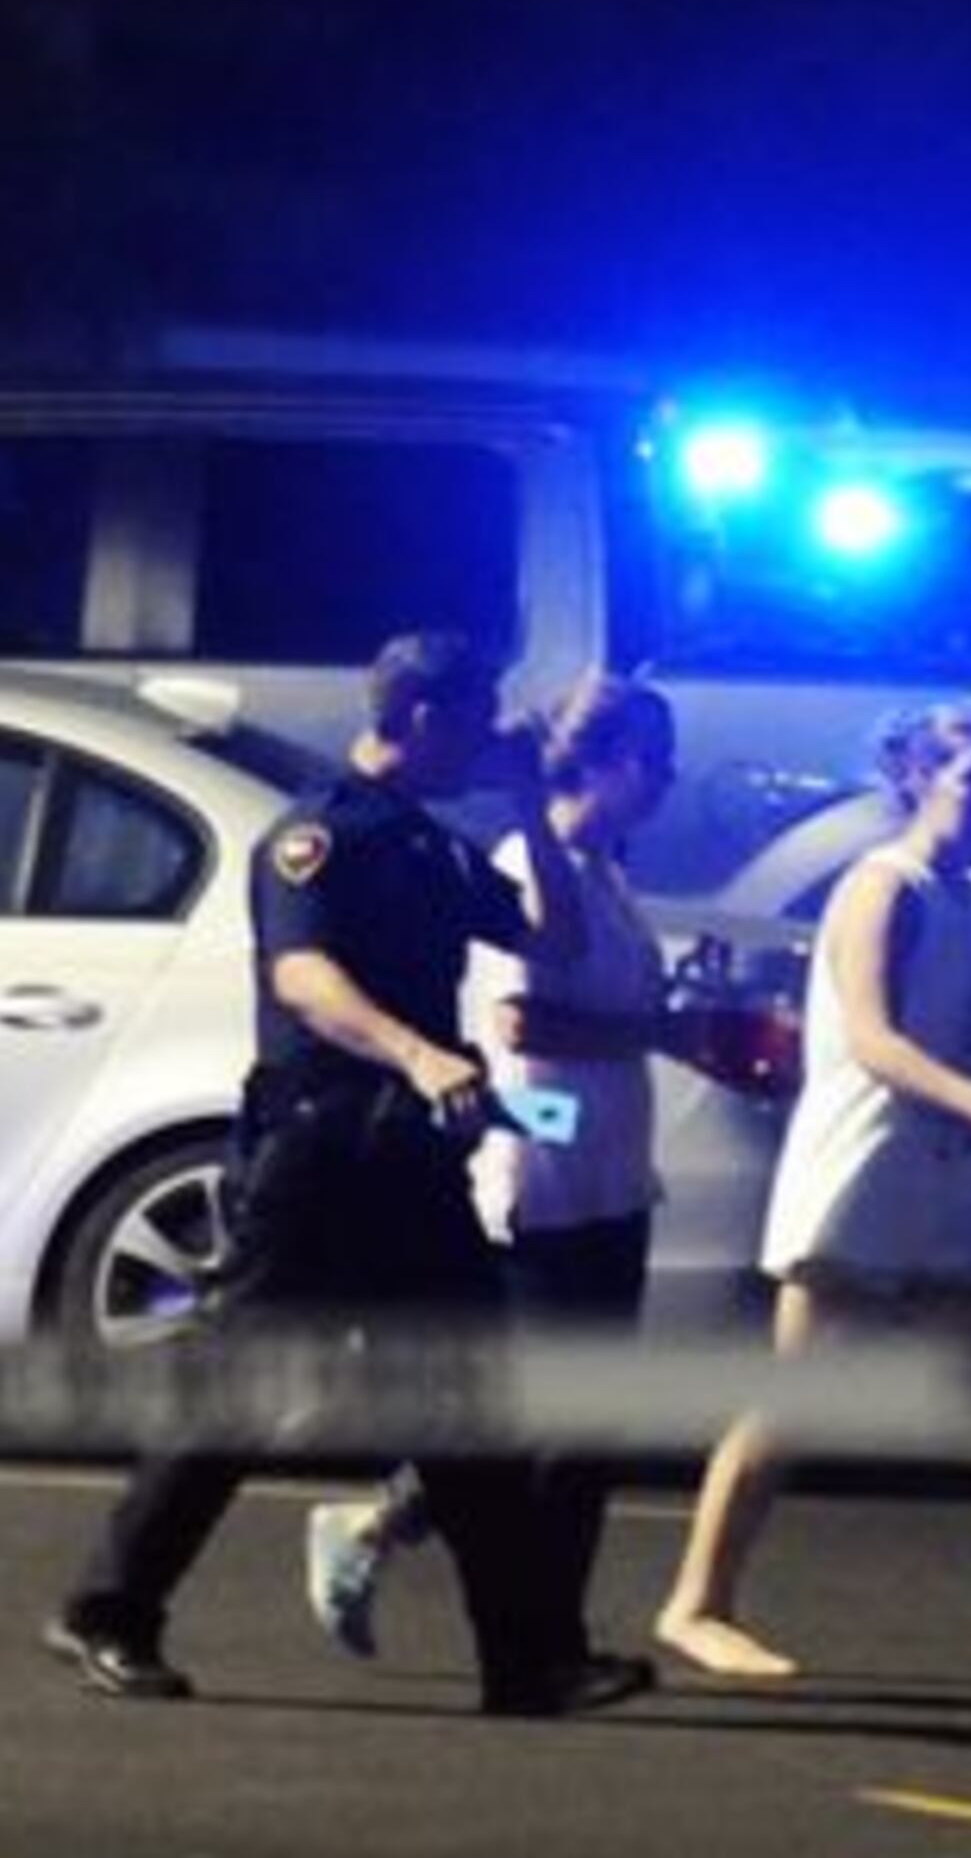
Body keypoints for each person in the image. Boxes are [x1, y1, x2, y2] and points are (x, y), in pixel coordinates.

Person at [42, 630, 656, 1719]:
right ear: (416, 715)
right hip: (320, 1152)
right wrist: (418, 1051)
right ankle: (108, 1609)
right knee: (237, 1391)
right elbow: (306, 976)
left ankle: (529, 1658)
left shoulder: (434, 844)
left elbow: (550, 940)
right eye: (472, 718)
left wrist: (524, 805)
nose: (485, 736)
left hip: (415, 1161)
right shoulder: (320, 837)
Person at [651, 703, 971, 1694]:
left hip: (947, 1178)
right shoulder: (879, 887)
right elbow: (872, 1037)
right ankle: (698, 1601)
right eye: (970, 775)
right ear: (916, 779)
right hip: (863, 1171)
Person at [304, 671, 680, 1660]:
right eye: (653, 760)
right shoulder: (526, 860)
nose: (669, 781)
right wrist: (663, 1034)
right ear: (595, 762)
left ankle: (452, 1568)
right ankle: (534, 1632)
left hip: (610, 1171)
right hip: (541, 1164)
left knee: (579, 1426)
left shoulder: (604, 870)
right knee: (548, 1427)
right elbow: (521, 1026)